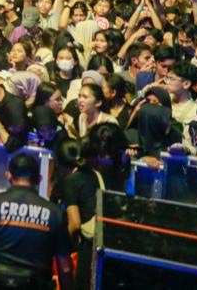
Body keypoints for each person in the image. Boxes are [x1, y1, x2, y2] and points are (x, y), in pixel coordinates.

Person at [0, 152, 74, 290]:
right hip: (36, 284)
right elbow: (65, 268)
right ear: (39, 179)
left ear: (8, 176)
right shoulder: (55, 213)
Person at [60, 122, 129, 288]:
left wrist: (61, 248)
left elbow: (75, 223)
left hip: (87, 247)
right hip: (106, 242)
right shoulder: (99, 174)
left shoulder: (71, 181)